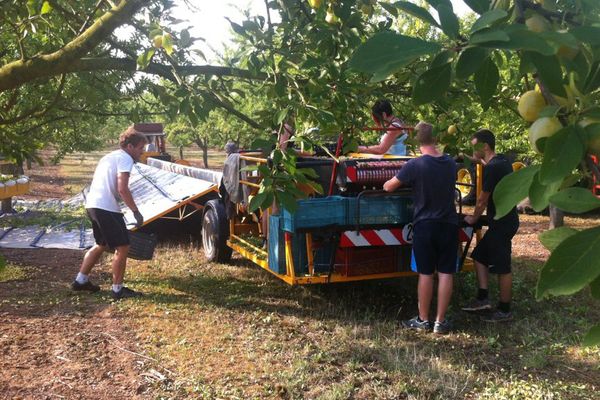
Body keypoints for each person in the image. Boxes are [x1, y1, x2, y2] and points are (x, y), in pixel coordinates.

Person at [383, 122, 458, 334]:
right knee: (446, 272)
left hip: (425, 225)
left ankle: (423, 320)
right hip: (449, 224)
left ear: (417, 141)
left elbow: (389, 186)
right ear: (436, 139)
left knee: (425, 273)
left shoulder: (415, 165)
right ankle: (440, 322)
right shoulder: (451, 164)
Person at [71, 126, 147, 300]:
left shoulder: (110, 156)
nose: (142, 152)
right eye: (140, 148)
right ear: (130, 146)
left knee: (102, 244)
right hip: (106, 207)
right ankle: (118, 289)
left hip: (93, 204)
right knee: (123, 247)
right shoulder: (125, 159)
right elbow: (122, 188)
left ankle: (80, 281)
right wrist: (136, 212)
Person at [463, 129, 519, 322]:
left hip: (503, 223)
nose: (473, 149)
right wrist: (467, 157)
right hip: (504, 221)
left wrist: (473, 218)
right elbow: (484, 161)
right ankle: (483, 298)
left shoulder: (493, 168)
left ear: (485, 146)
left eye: (475, 146)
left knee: (502, 267)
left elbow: (482, 200)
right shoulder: (502, 161)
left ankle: (504, 310)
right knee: (479, 256)